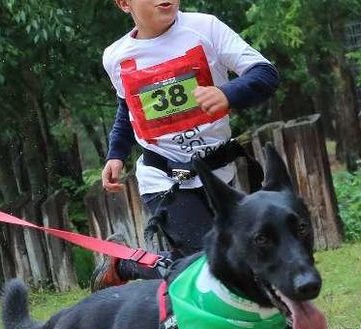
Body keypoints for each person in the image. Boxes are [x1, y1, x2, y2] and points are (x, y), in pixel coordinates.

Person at [91, 0, 279, 291]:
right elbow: (127, 108)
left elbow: (265, 74)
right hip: (164, 179)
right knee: (209, 264)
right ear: (124, 3)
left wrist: (227, 93)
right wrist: (116, 154)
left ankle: (123, 264)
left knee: (239, 256)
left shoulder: (205, 28)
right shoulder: (115, 56)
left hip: (219, 172)